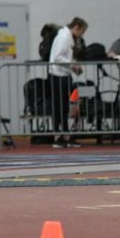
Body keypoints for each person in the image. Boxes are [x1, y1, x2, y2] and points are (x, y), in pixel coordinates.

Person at [48, 17, 88, 149]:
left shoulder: (67, 37)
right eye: (82, 31)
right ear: (76, 28)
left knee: (64, 106)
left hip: (63, 74)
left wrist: (72, 66)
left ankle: (65, 135)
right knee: (59, 107)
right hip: (57, 75)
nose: (81, 35)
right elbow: (58, 57)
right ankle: (58, 136)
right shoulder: (64, 38)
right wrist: (72, 65)